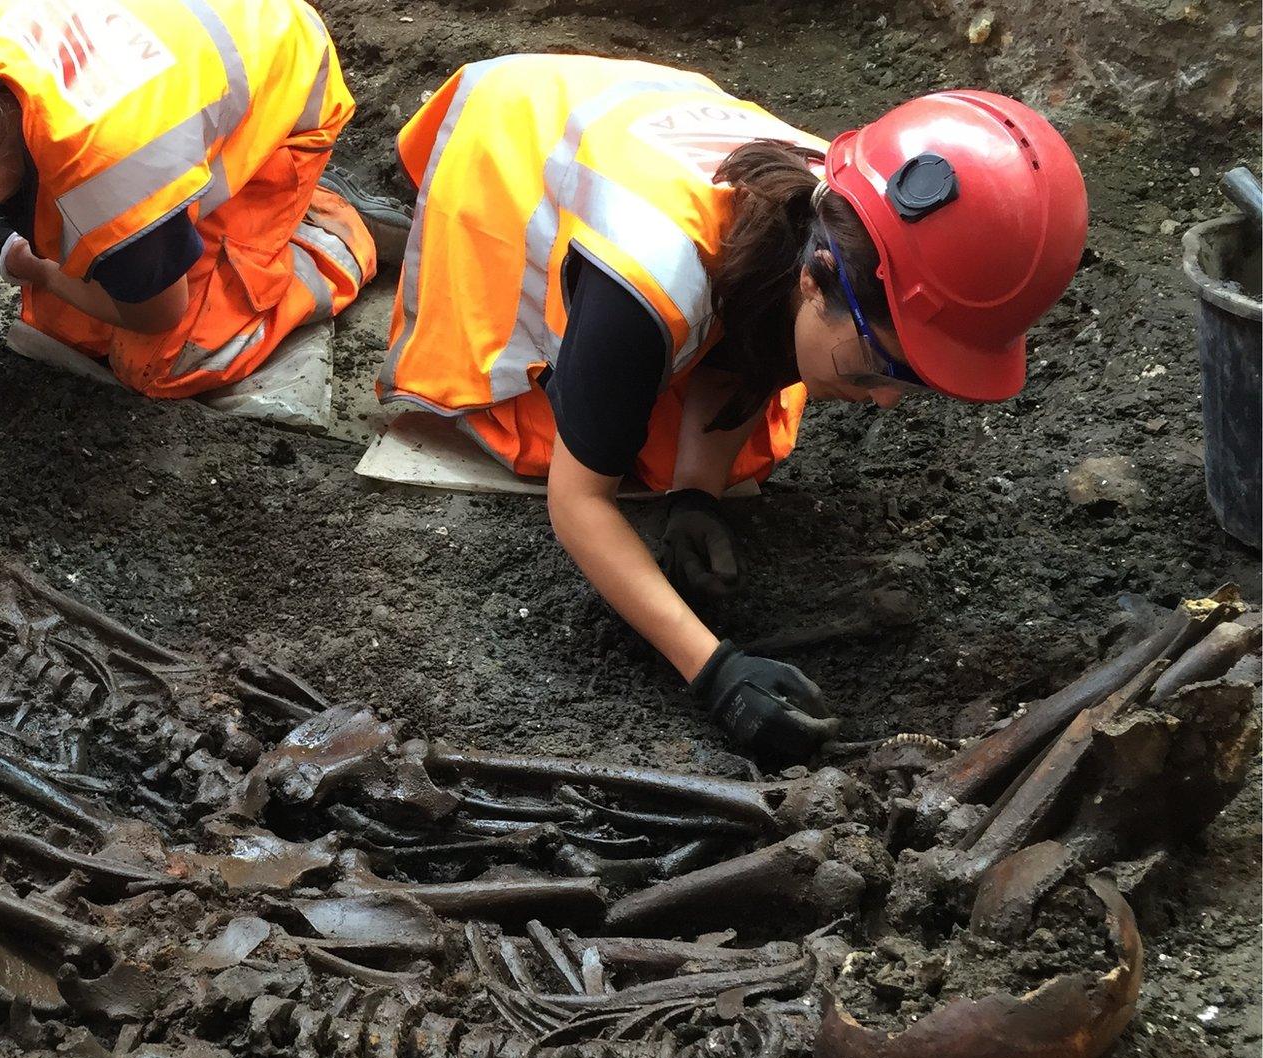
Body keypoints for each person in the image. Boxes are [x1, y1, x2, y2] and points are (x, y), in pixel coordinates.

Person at [376, 55, 1087, 764]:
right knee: (548, 429)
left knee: (708, 415)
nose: (888, 398)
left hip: (626, 115)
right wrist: (715, 672)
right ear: (817, 279)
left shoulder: (836, 208)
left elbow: (756, 324)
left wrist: (697, 493)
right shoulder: (644, 273)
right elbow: (579, 502)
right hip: (505, 147)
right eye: (885, 367)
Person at [0, 0, 408, 407]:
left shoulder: (112, 179)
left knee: (156, 361)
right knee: (66, 324)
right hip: (172, 47)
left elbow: (157, 314)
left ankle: (327, 226)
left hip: (282, 78)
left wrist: (29, 264)